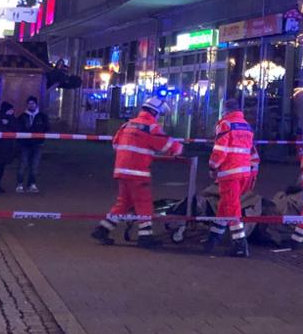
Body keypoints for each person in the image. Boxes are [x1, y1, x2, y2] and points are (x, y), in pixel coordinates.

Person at [91, 96, 183, 247]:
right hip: (138, 173)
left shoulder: (127, 125)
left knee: (124, 202)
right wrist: (179, 149)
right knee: (144, 203)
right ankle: (145, 238)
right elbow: (168, 146)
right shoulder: (151, 127)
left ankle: (102, 229)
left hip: (121, 170)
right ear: (155, 113)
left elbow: (115, 144)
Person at [202, 99, 259, 258]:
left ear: (225, 110)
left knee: (232, 208)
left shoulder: (226, 125)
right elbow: (251, 151)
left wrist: (213, 166)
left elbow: (220, 150)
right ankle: (213, 238)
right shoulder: (246, 126)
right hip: (244, 173)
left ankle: (240, 244)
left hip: (229, 173)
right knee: (225, 205)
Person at [16, 96, 49, 193]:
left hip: (38, 144)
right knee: (23, 164)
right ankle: (20, 184)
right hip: (25, 144)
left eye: (33, 103)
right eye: (29, 104)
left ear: (36, 104)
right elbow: (19, 128)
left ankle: (32, 184)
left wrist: (34, 130)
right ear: (27, 105)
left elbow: (46, 128)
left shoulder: (42, 117)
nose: (31, 105)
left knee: (34, 166)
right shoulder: (22, 117)